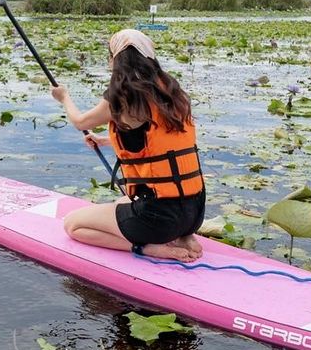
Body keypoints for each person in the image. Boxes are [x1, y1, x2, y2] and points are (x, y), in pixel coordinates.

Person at [50, 29, 206, 261]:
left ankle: (149, 248)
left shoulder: (124, 95)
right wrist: (105, 140)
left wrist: (64, 97)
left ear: (115, 59)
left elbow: (80, 121)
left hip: (161, 219)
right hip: (194, 212)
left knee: (73, 225)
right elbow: (159, 143)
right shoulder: (172, 92)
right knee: (122, 200)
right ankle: (185, 237)